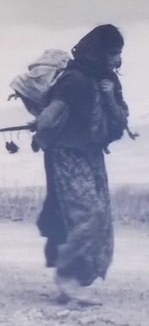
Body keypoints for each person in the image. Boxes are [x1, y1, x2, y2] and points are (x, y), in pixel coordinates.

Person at [33, 24, 129, 305]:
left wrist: (110, 96)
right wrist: (42, 122)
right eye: (112, 53)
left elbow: (122, 120)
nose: (116, 60)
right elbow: (51, 115)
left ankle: (78, 279)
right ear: (97, 52)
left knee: (99, 218)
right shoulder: (74, 79)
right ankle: (67, 278)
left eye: (119, 53)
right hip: (67, 155)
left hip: (92, 154)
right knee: (85, 215)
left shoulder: (109, 81)